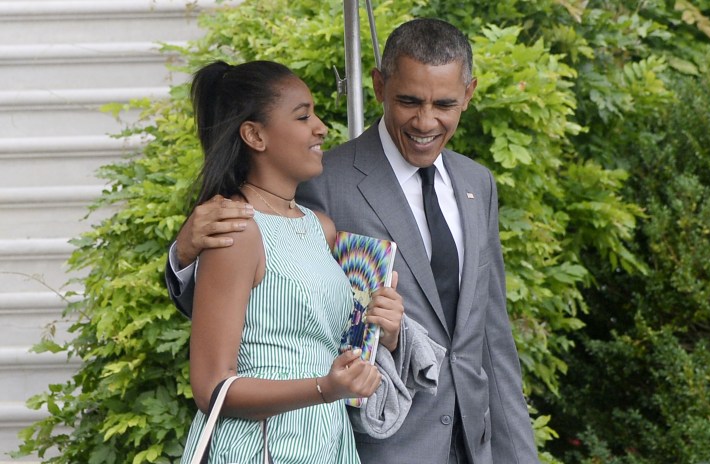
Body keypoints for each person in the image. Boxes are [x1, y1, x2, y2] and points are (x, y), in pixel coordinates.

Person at [167, 18, 539, 464]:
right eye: (408, 101)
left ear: (469, 94)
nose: (426, 120)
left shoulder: (477, 183)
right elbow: (254, 309)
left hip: (464, 444)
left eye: (444, 103)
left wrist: (518, 454)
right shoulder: (321, 182)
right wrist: (183, 254)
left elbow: (491, 338)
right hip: (357, 446)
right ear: (379, 87)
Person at [174, 59, 404, 464]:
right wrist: (323, 389)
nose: (321, 127)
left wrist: (380, 329)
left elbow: (329, 345)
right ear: (254, 135)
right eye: (303, 116)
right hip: (260, 448)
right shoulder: (237, 229)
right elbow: (211, 387)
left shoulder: (322, 229)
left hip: (327, 443)